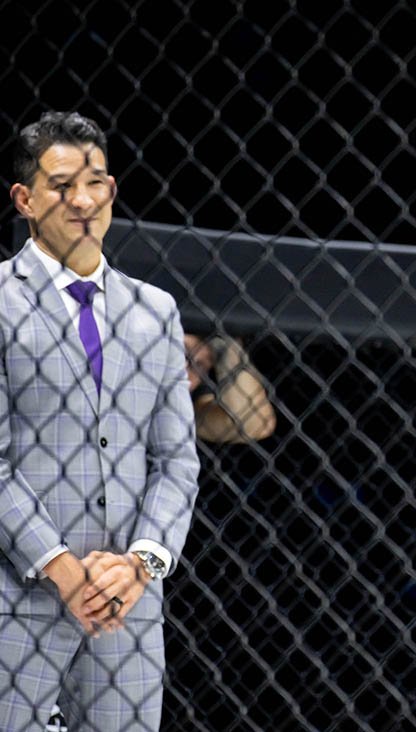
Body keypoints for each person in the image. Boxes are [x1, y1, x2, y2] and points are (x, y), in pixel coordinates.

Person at [0, 111, 200, 730]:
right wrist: (63, 568)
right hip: (17, 603)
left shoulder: (155, 311)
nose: (82, 201)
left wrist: (140, 565)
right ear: (25, 200)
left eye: (94, 183)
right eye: (62, 186)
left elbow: (177, 461)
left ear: (111, 189)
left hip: (127, 611)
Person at [184, 332, 277, 443]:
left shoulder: (185, 404)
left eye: (199, 365)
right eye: (183, 354)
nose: (184, 368)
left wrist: (225, 348)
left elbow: (255, 423)